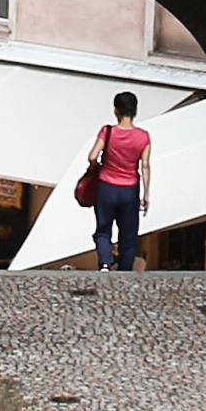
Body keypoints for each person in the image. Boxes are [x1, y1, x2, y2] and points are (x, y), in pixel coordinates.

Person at [85, 86, 150, 277]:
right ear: (135, 111)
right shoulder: (143, 137)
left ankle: (105, 263)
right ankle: (125, 271)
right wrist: (146, 193)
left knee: (103, 229)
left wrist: (94, 167)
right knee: (128, 234)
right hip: (130, 190)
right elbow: (145, 165)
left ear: (116, 110)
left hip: (106, 187)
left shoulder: (107, 132)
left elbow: (92, 156)